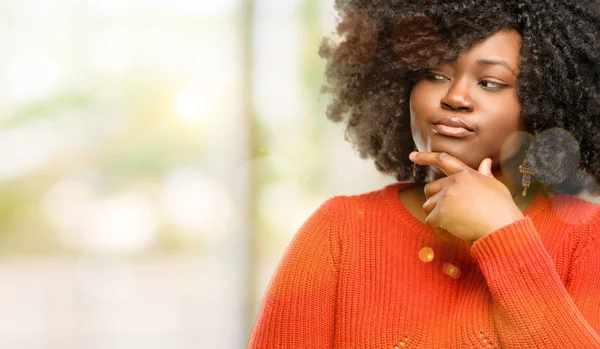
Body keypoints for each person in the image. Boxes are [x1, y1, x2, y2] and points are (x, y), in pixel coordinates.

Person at [248, 1, 600, 347]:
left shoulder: (586, 236)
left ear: (545, 100)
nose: (456, 96)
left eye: (491, 83)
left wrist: (503, 235)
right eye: (434, 74)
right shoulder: (338, 231)